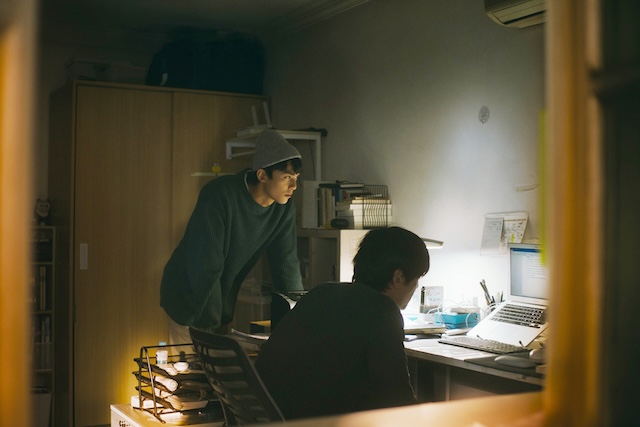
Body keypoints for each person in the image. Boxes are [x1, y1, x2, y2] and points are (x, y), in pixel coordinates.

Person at [255, 226, 429, 420]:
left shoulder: (322, 292)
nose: (416, 287)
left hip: (264, 416)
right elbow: (397, 398)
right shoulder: (381, 310)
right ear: (398, 278)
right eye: (416, 280)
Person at [160, 129, 304, 347]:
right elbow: (207, 266)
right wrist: (213, 327)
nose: (294, 186)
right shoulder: (220, 195)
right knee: (195, 366)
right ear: (262, 175)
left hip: (220, 303)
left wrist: (297, 323)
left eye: (296, 178)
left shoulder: (283, 209)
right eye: (287, 177)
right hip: (188, 298)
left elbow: (287, 264)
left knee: (219, 360)